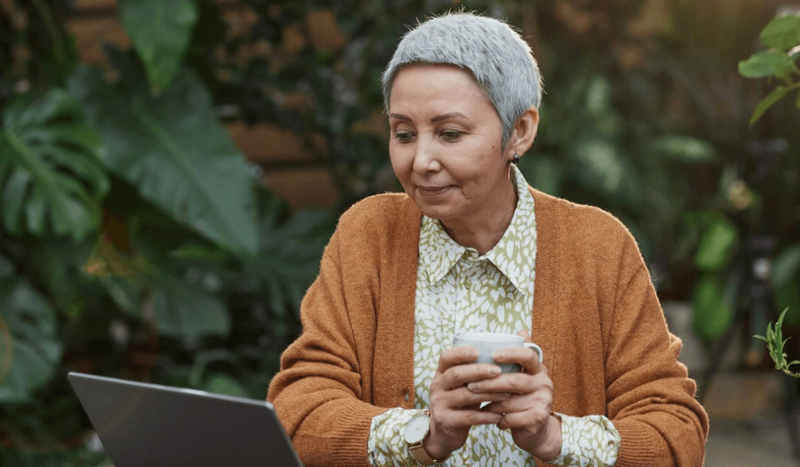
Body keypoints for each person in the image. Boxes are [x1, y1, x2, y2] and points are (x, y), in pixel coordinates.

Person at [268, 11, 708, 467]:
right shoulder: (368, 234)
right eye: (403, 133)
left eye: (450, 133)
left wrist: (555, 436)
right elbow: (298, 412)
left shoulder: (599, 247)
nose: (421, 160)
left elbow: (675, 435)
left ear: (519, 131)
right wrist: (423, 434)